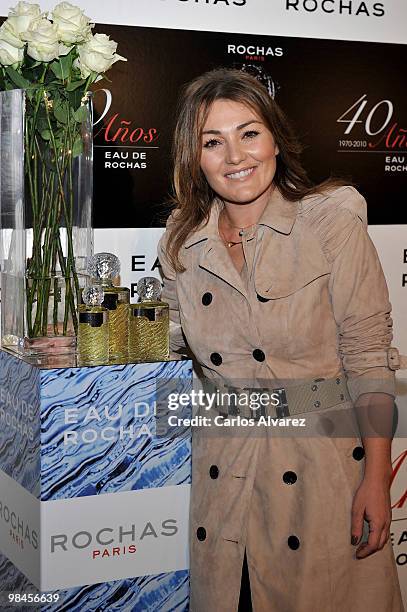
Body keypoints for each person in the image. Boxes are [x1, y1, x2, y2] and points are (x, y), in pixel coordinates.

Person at [157, 68, 406, 612]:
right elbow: (172, 337)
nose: (235, 156)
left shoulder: (330, 224)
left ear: (274, 139)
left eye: (249, 133)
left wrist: (375, 480)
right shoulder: (183, 242)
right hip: (226, 472)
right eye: (212, 142)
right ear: (193, 157)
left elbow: (368, 358)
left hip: (320, 471)